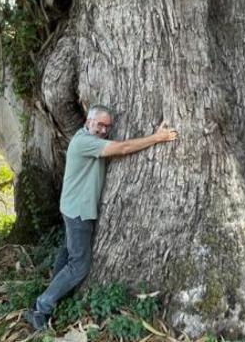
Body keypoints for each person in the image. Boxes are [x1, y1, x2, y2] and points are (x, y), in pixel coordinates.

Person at [23, 105, 178, 330]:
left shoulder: (85, 136)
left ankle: (56, 292)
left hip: (72, 206)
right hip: (78, 211)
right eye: (100, 124)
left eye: (108, 126)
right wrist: (157, 137)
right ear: (88, 121)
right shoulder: (85, 142)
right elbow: (123, 147)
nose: (104, 130)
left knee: (68, 252)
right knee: (79, 265)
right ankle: (43, 306)